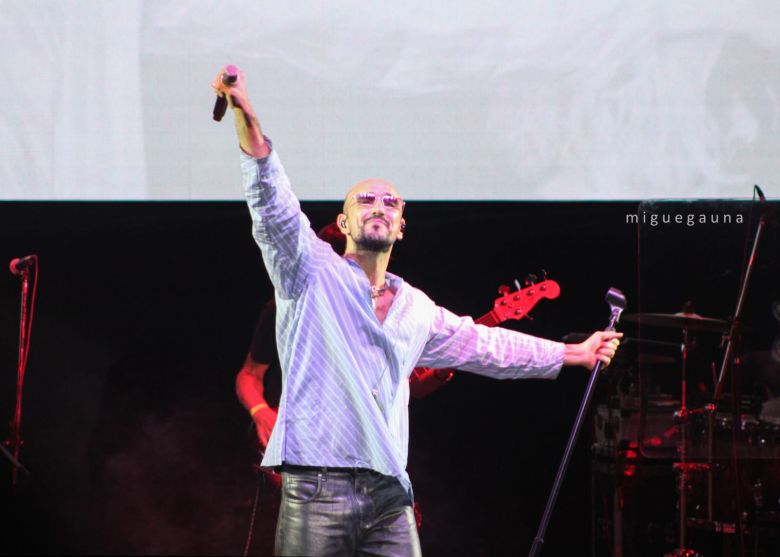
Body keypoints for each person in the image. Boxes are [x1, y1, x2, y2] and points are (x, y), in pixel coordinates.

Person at [213, 65, 621, 557]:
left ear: (401, 227)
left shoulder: (415, 307)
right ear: (344, 222)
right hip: (316, 488)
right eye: (365, 199)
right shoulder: (308, 272)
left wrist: (572, 354)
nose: (379, 205)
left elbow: (487, 345)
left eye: (391, 202)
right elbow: (271, 202)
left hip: (389, 495)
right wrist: (247, 118)